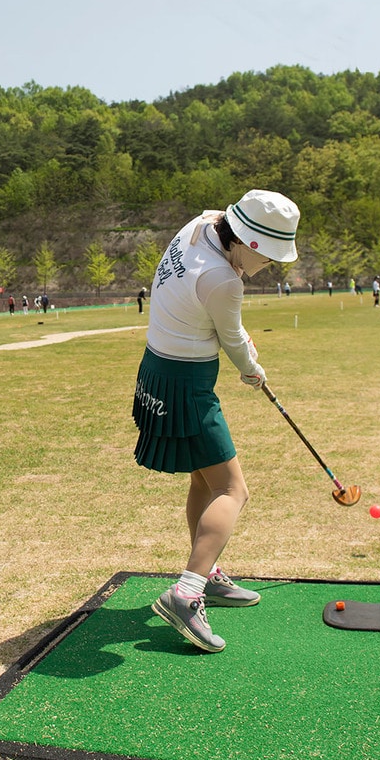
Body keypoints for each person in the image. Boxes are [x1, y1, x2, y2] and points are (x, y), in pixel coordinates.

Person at [134, 189, 300, 653]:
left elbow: (215, 213)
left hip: (160, 368)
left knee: (203, 484)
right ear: (248, 242)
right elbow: (233, 341)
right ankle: (186, 594)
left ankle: (206, 574)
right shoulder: (225, 281)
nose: (267, 265)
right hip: (187, 383)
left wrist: (246, 353)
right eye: (267, 256)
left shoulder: (200, 225)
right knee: (234, 490)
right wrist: (254, 372)